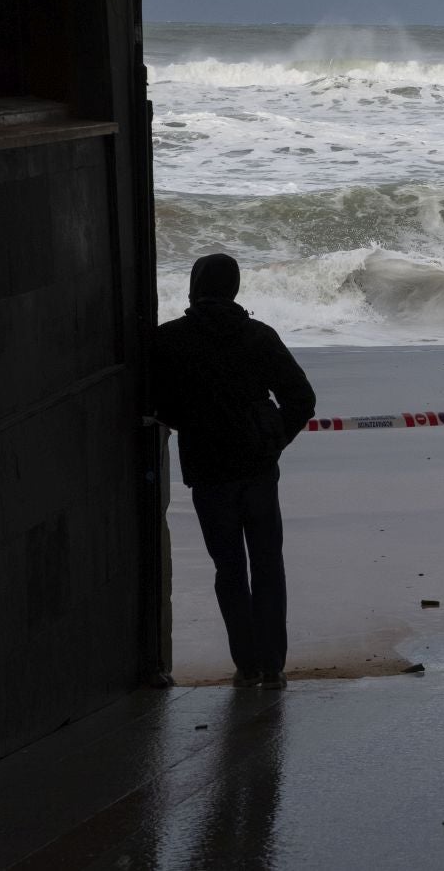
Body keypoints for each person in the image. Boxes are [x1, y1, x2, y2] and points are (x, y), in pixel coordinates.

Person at [153, 253, 316, 690]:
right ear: (235, 288)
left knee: (228, 570)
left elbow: (153, 401)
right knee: (268, 565)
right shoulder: (259, 337)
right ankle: (273, 664)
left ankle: (245, 664)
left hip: (209, 471)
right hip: (258, 470)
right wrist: (273, 438)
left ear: (195, 287)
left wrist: (189, 421)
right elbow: (301, 398)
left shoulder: (170, 340)